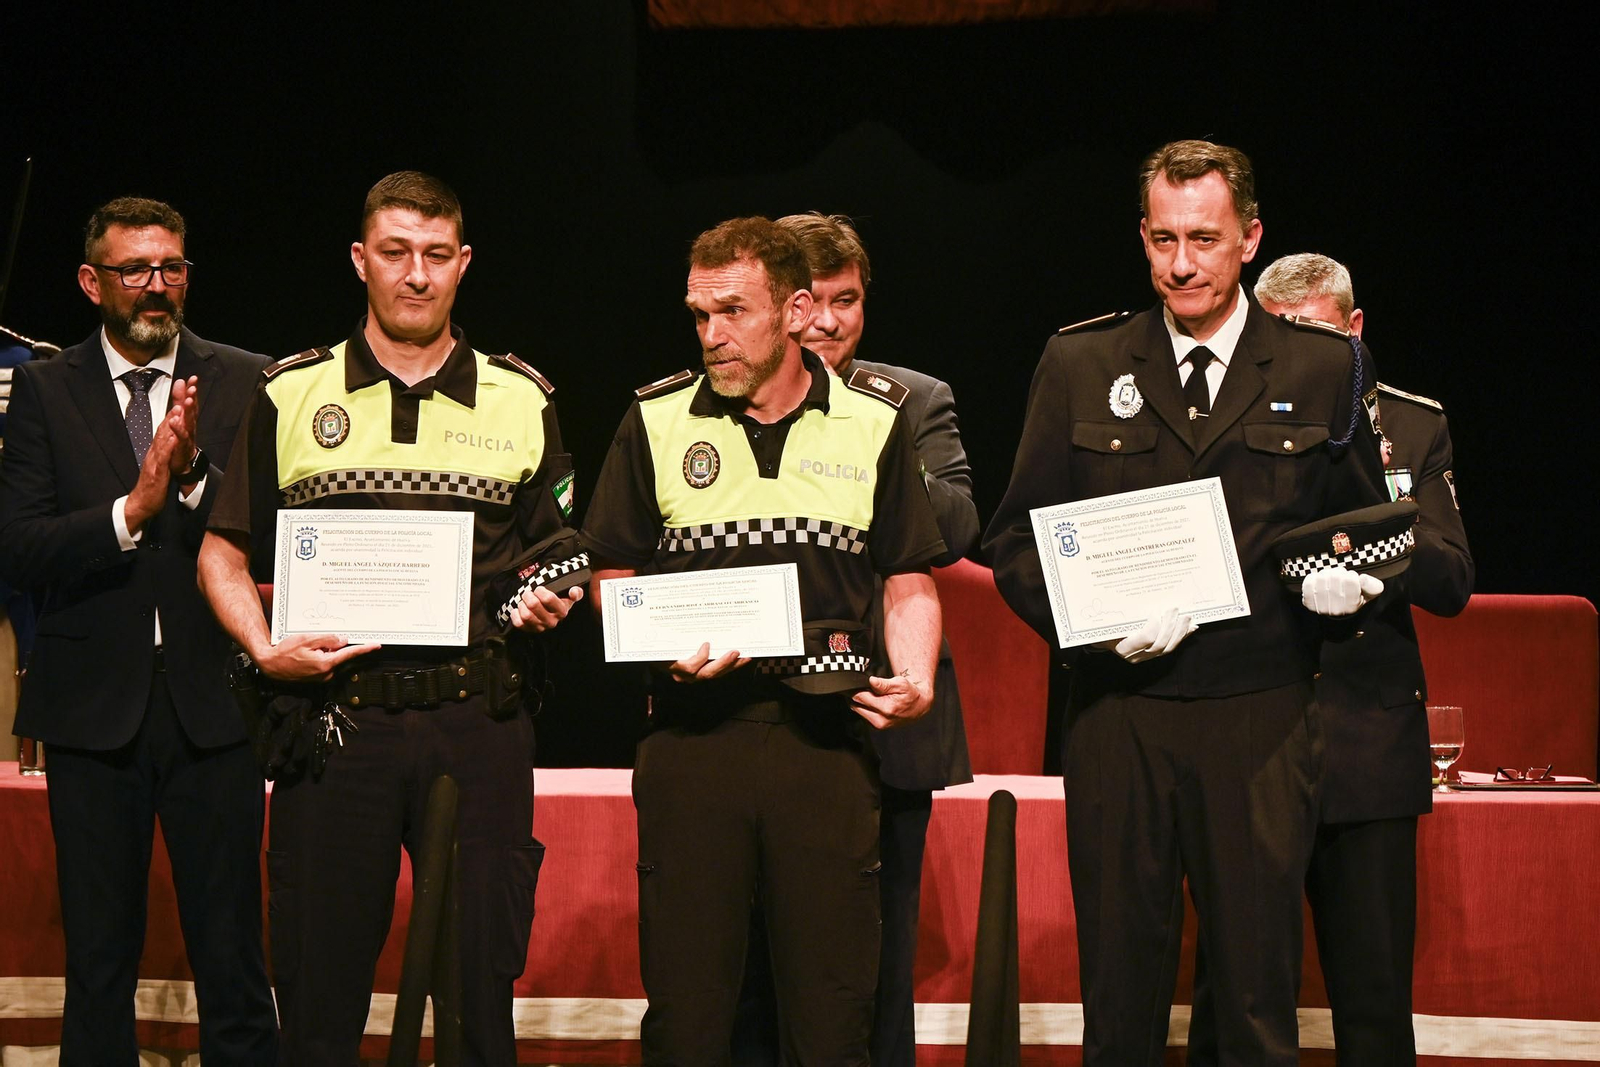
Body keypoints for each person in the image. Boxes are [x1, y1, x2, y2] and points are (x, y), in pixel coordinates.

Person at [982, 140, 1387, 1066]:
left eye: (1203, 239)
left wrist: (1345, 590)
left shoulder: (1321, 367)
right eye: (1163, 239)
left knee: (1253, 1001)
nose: (1181, 263)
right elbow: (1014, 541)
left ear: (1250, 238)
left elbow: (1366, 527)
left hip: (1260, 716)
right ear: (1142, 236)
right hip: (1118, 713)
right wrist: (1092, 628)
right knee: (1119, 998)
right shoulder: (1081, 361)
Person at [197, 171, 583, 1066]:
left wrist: (552, 594)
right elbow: (221, 551)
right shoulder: (291, 391)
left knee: (478, 1001)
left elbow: (558, 549)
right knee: (319, 1003)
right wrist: (263, 649)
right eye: (397, 252)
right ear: (360, 259)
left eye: (437, 255)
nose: (417, 274)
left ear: (464, 263)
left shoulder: (522, 395)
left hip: (479, 722)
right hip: (336, 721)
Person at [582, 216, 946, 1066]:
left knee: (831, 1021)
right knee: (689, 1019)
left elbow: (908, 573)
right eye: (700, 314)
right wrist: (656, 642)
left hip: (826, 744)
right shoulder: (655, 417)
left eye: (733, 311)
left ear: (794, 310)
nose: (712, 334)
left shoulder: (875, 422)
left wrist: (917, 673)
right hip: (692, 741)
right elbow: (609, 568)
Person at [0, 197, 277, 1064]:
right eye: (135, 270)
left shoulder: (248, 378)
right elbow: (19, 545)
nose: (157, 286)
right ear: (92, 282)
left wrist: (190, 480)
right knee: (99, 962)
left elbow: (275, 532)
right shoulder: (45, 389)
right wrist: (131, 511)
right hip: (90, 714)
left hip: (217, 711)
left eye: (172, 268)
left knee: (234, 957)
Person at [1185, 253, 1473, 1066]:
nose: (1299, 357)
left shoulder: (1411, 424)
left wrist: (1372, 540)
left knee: (1375, 1009)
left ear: (1354, 330)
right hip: (1250, 737)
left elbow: (1452, 580)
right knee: (1231, 1003)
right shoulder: (1227, 415)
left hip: (1366, 743)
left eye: (1315, 335)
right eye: (1283, 336)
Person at [728, 212, 976, 1067]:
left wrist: (857, 429)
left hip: (881, 716)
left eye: (848, 300)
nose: (829, 322)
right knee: (751, 973)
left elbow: (958, 525)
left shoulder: (913, 400)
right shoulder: (719, 403)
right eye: (813, 301)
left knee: (876, 968)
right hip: (751, 715)